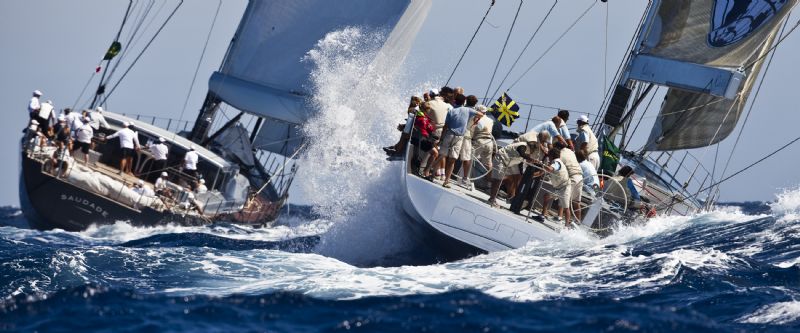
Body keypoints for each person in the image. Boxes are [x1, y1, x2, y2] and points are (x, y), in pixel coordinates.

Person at [438, 94, 482, 188]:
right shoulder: (471, 111)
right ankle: (464, 178)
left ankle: (439, 173)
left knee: (444, 154)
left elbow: (446, 125)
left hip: (453, 134)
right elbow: (480, 122)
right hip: (464, 136)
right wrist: (477, 120)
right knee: (463, 158)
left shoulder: (459, 109)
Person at [487, 140, 541, 207]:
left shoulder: (526, 150)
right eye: (535, 151)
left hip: (508, 162)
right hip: (501, 159)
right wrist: (531, 159)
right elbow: (521, 152)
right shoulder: (523, 145)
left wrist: (521, 175)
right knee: (497, 180)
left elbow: (520, 163)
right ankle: (492, 199)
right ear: (533, 148)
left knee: (516, 178)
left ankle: (511, 197)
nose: (533, 153)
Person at [541, 142, 583, 227]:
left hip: (571, 178)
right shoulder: (570, 151)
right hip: (580, 177)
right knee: (576, 202)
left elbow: (553, 168)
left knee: (564, 199)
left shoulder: (559, 156)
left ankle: (558, 217)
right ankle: (578, 223)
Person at [457, 104, 488, 191]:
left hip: (459, 134)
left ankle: (441, 172)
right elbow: (480, 128)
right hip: (466, 137)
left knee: (452, 155)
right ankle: (465, 178)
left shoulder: (468, 114)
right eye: (484, 113)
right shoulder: (479, 121)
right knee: (467, 158)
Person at [426, 87, 453, 179]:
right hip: (443, 131)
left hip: (432, 131)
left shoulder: (429, 103)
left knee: (436, 151)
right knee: (441, 152)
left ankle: (430, 171)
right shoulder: (449, 106)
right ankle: (441, 173)